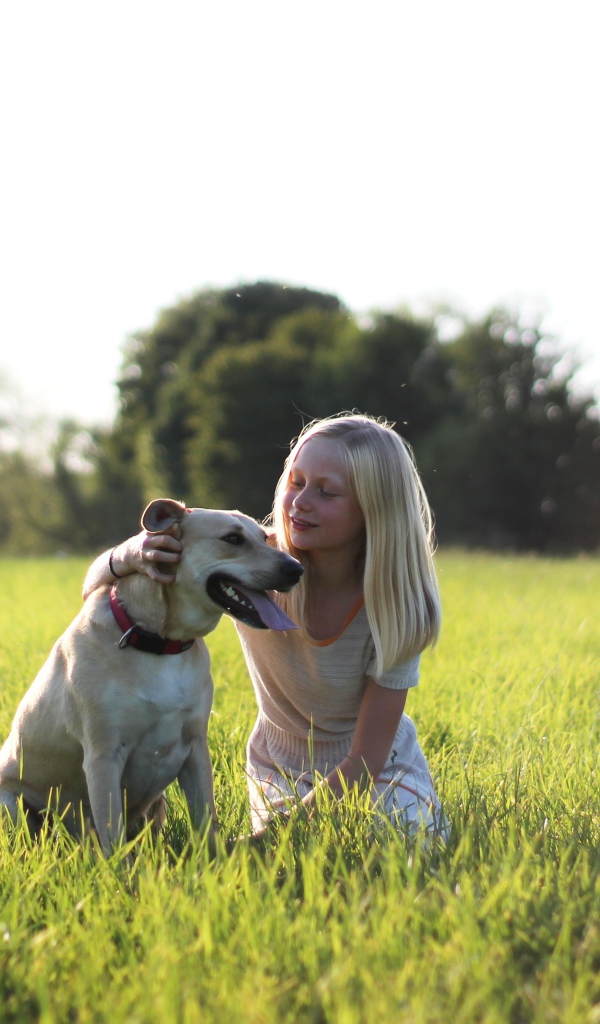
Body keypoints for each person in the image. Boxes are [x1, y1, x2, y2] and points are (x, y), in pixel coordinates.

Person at [83, 413, 448, 841]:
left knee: (399, 843)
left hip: (379, 767)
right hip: (280, 766)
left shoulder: (397, 606)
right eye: (296, 482)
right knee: (298, 857)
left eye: (327, 492)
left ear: (374, 509)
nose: (300, 502)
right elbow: (93, 588)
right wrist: (131, 554)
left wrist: (261, 842)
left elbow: (365, 761)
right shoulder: (250, 559)